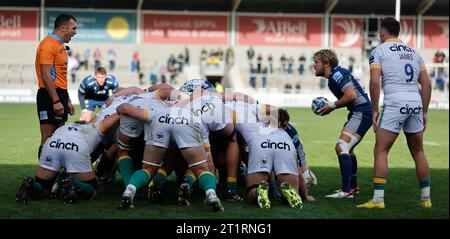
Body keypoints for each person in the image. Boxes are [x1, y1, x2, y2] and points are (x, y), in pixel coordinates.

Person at [357, 17, 432, 209]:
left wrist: (374, 109)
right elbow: (427, 84)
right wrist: (424, 110)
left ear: (383, 32)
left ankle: (378, 200)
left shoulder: (378, 51)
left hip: (395, 102)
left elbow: (375, 82)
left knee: (381, 150)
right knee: (418, 151)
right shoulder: (415, 53)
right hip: (415, 101)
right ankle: (426, 199)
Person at [15, 114, 120, 204]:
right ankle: (73, 184)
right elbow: (116, 115)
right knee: (92, 188)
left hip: (52, 144)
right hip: (76, 147)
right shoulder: (94, 127)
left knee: (44, 187)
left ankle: (30, 184)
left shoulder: (64, 128)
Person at [313, 49, 372, 199]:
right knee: (348, 149)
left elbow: (351, 95)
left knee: (342, 147)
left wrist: (332, 106)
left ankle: (346, 191)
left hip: (362, 112)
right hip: (358, 112)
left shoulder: (337, 75)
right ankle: (352, 187)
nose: (314, 65)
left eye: (316, 62)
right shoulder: (336, 75)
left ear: (326, 63)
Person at [35, 13, 77, 159]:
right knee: (48, 137)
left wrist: (68, 100)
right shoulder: (47, 45)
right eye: (73, 28)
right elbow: (46, 75)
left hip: (60, 95)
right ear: (63, 28)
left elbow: (60, 76)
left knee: (58, 138)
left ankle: (54, 175)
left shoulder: (60, 45)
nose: (75, 32)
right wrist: (56, 100)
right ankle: (42, 176)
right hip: (49, 95)